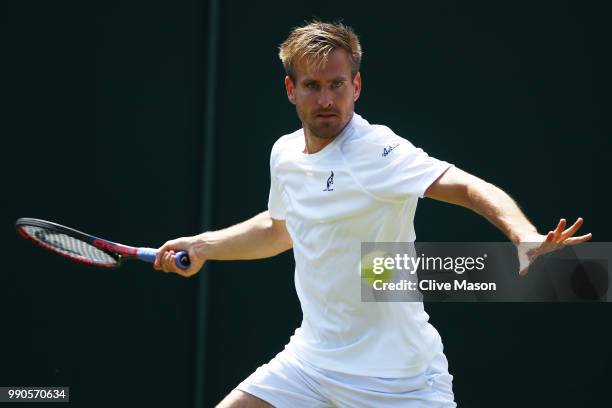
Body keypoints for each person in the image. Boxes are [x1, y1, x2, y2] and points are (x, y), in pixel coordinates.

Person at [154, 21, 592, 408]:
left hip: (400, 384)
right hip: (311, 362)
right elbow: (278, 229)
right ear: (291, 90)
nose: (327, 99)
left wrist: (522, 234)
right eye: (312, 86)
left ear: (356, 86)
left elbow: (466, 185)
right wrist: (202, 245)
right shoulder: (285, 154)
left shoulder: (378, 151)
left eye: (338, 85)